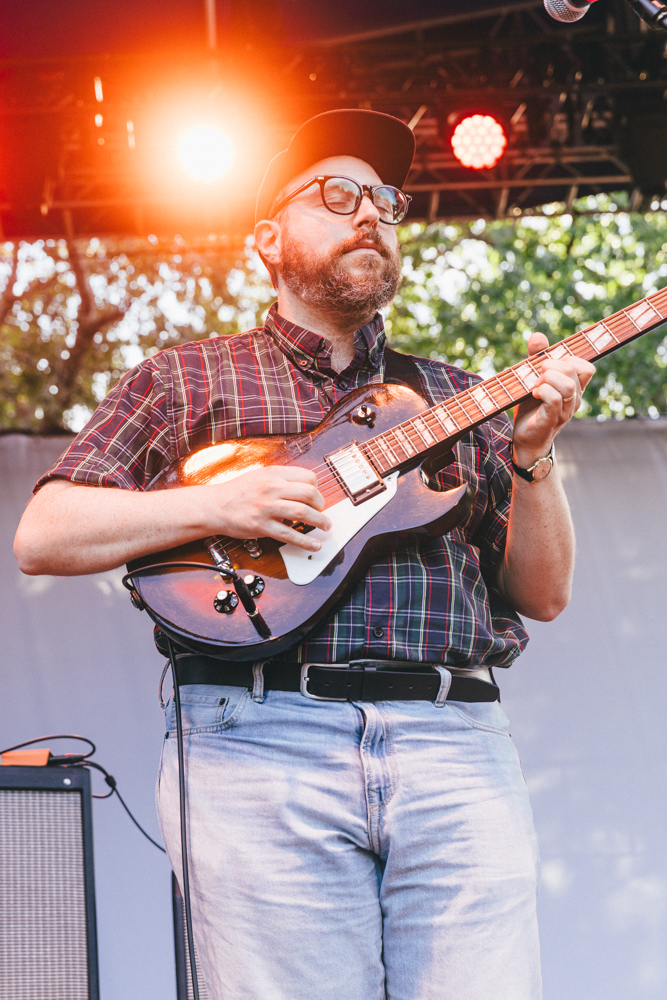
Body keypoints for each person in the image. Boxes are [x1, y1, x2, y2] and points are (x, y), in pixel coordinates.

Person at [14, 109, 594, 1000]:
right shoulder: (186, 378)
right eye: (336, 195)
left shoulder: (459, 396)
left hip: (455, 740)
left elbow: (542, 596)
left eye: (384, 202)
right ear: (266, 237)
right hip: (256, 739)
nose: (369, 213)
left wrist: (533, 457)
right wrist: (217, 502)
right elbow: (43, 535)